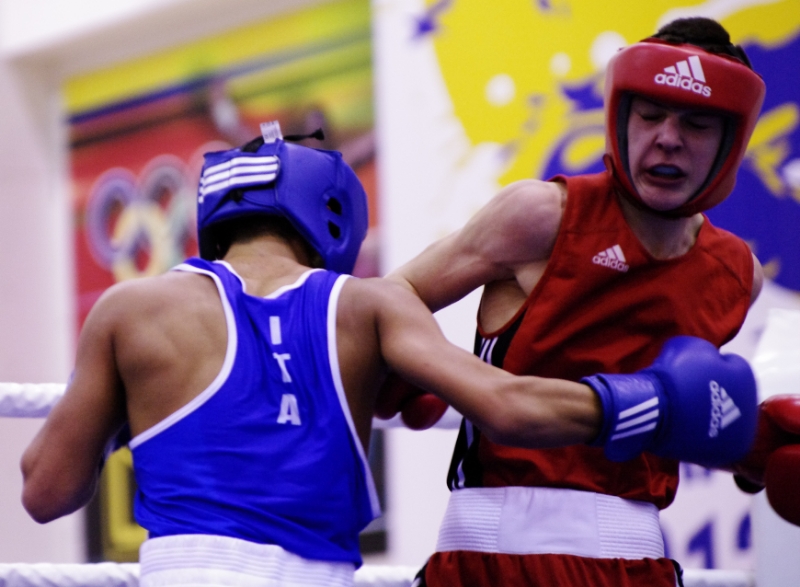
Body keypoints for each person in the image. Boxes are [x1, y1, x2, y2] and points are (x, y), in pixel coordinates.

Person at [20, 124, 757, 587]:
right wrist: (654, 401)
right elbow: (506, 403)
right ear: (332, 210)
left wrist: (126, 413)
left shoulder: (130, 310)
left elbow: (45, 493)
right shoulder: (367, 306)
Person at [387, 17, 797, 587]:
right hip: (492, 546)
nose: (668, 139)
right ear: (621, 118)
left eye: (697, 124)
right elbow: (391, 297)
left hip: (635, 552)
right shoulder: (541, 215)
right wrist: (425, 366)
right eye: (650, 116)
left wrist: (753, 449)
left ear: (732, 141)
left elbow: (675, 411)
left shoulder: (735, 274)